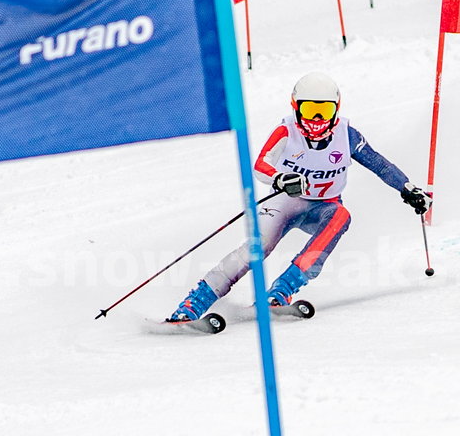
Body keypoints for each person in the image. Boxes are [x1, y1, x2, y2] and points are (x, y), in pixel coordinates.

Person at [167, 72, 428, 321]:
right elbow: (260, 165)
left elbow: (379, 165)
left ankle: (280, 292)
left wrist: (407, 188)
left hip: (324, 207)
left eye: (324, 110)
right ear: (295, 108)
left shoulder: (346, 135)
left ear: (336, 110)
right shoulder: (287, 131)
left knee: (341, 217)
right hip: (285, 203)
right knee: (258, 248)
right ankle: (194, 304)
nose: (316, 118)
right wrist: (280, 178)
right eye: (308, 109)